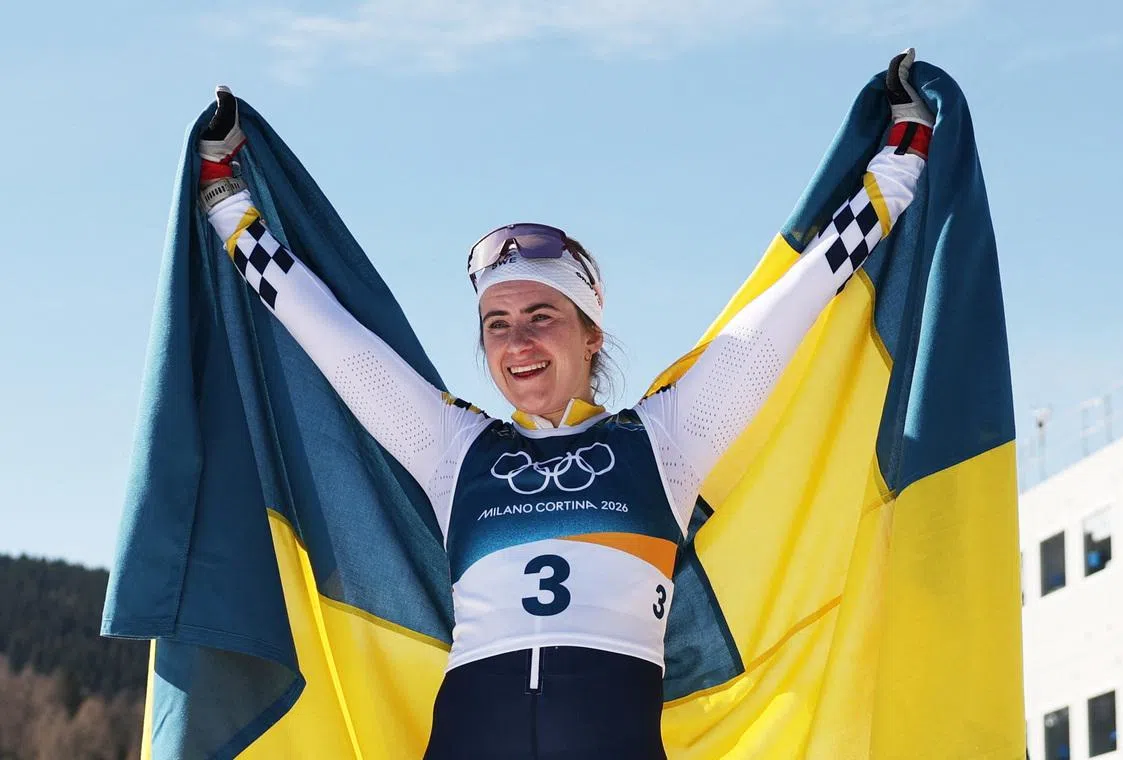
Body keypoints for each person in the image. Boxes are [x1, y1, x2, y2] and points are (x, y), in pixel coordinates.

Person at [195, 48, 934, 760]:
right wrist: (229, 206)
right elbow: (334, 341)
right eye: (496, 324)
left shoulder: (668, 437)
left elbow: (794, 303)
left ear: (591, 334)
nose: (517, 342)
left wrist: (899, 166)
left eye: (540, 316)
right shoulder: (454, 446)